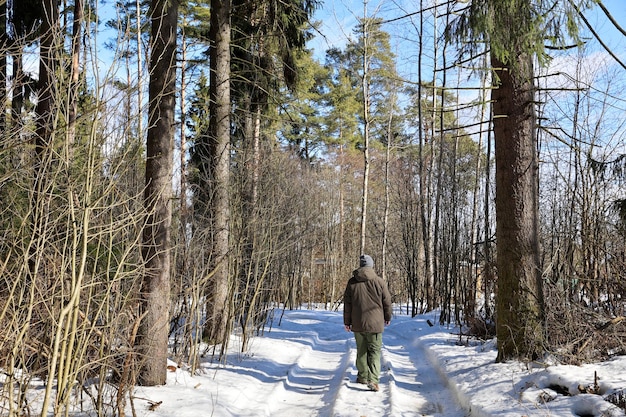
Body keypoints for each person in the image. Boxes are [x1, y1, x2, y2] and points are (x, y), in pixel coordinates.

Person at [343, 254, 392, 392]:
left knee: (362, 350)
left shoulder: (352, 282)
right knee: (375, 352)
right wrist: (387, 317)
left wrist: (347, 322)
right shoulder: (379, 282)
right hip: (375, 324)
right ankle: (373, 380)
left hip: (358, 323)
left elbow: (348, 304)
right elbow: (387, 302)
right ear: (371, 265)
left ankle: (363, 376)